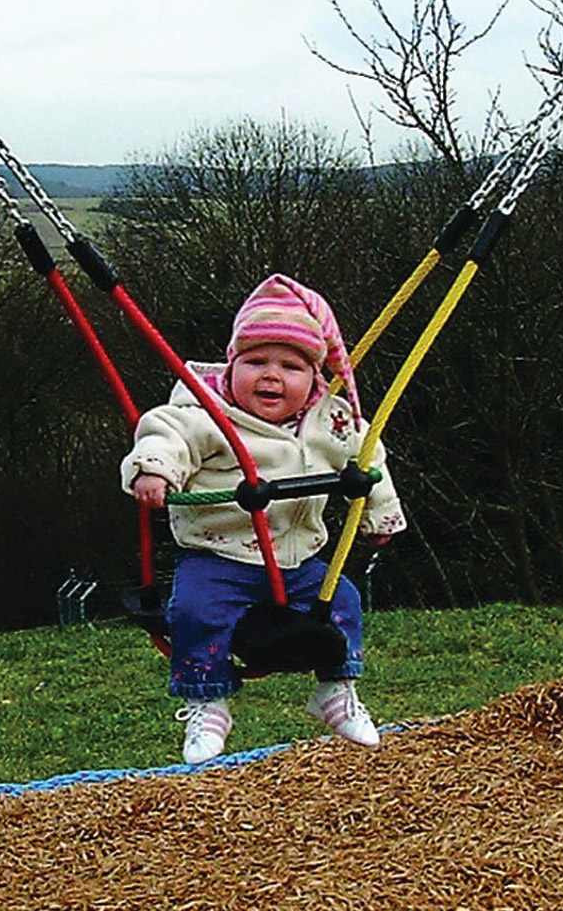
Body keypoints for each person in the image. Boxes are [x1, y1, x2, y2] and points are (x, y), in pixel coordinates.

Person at [121, 273, 407, 764]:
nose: (271, 376)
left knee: (344, 603)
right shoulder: (207, 413)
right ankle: (206, 700)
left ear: (315, 379)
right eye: (255, 362)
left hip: (298, 558)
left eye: (291, 366)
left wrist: (381, 514)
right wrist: (155, 470)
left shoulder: (329, 420)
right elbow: (165, 433)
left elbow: (369, 457)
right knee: (193, 612)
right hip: (218, 554)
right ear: (231, 368)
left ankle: (335, 691)